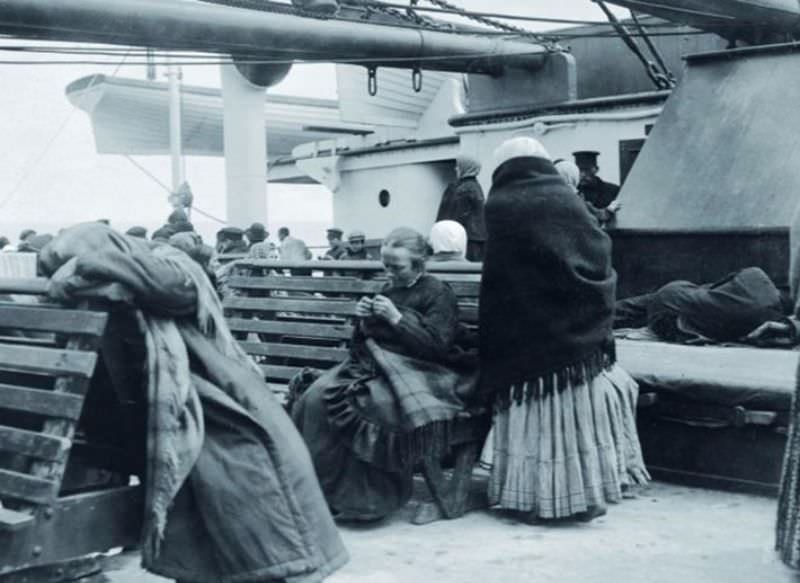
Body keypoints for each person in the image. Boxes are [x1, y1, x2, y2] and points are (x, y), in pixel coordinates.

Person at [38, 223, 348, 582]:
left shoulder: (171, 266)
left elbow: (174, 290)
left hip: (221, 398)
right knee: (202, 482)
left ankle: (280, 568)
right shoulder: (111, 291)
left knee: (238, 473)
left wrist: (87, 266)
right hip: (161, 408)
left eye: (74, 261)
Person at [480, 137, 649, 523]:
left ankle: (534, 499)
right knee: (575, 425)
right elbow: (598, 252)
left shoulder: (502, 204)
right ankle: (582, 494)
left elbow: (503, 277)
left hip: (526, 337)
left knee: (535, 422)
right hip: (578, 339)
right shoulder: (568, 199)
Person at [291, 227, 478, 521]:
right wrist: (363, 321)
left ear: (419, 263)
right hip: (375, 366)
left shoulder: (438, 292)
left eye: (397, 267)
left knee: (366, 405)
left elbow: (437, 348)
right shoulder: (386, 290)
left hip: (422, 371)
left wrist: (397, 318)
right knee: (314, 398)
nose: (390, 272)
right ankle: (322, 495)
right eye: (386, 265)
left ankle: (367, 501)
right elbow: (360, 345)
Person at [615, 268, 786, 344]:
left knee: (636, 306)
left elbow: (714, 286)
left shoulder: (756, 275)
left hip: (674, 295)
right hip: (674, 318)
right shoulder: (769, 323)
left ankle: (594, 316)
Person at [436, 155, 487, 262]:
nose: (455, 169)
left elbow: (452, 216)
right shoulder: (474, 186)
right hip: (476, 239)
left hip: (465, 240)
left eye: (458, 166)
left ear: (465, 168)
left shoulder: (462, 189)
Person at [554, 158, 620, 225]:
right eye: (579, 170)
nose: (582, 174)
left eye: (586, 169)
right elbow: (592, 219)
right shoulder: (574, 196)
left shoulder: (548, 194)